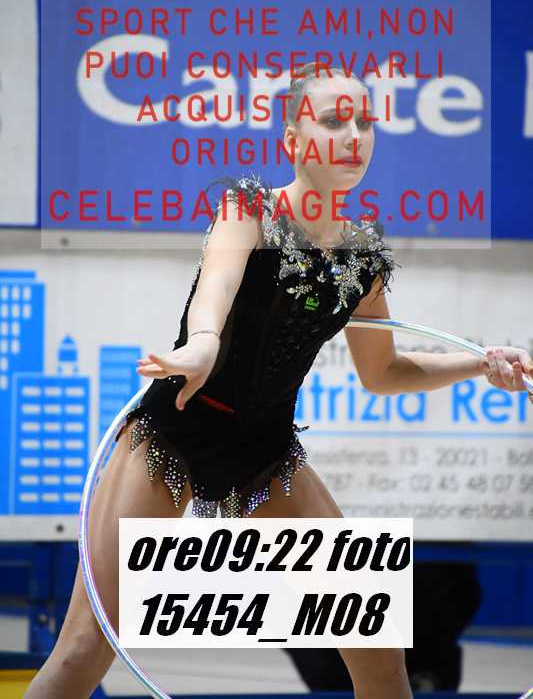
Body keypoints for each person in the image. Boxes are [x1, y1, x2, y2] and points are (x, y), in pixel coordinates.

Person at [25, 62, 533, 699]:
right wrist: (201, 345)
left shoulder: (363, 258)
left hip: (265, 453)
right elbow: (215, 290)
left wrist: (480, 364)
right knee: (84, 648)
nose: (353, 137)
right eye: (333, 121)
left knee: (378, 647)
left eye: (365, 122)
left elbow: (385, 372)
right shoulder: (249, 210)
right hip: (174, 432)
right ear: (293, 139)